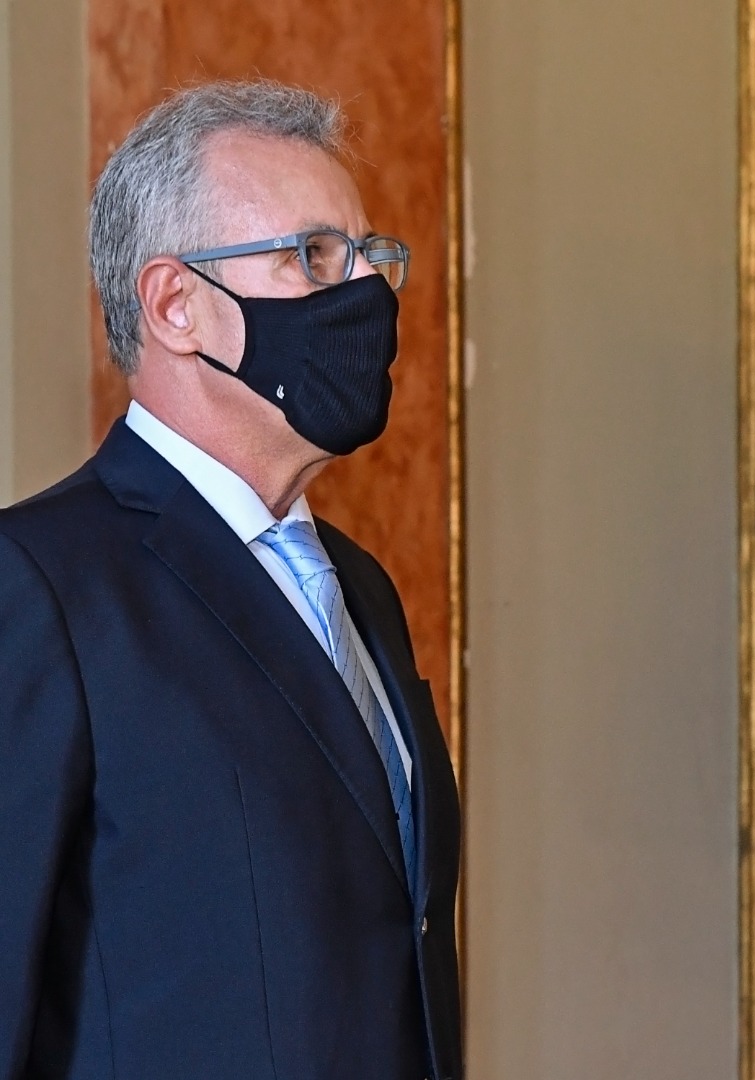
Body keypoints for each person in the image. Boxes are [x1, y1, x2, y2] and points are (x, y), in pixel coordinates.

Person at [0, 81, 460, 1080]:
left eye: (369, 255)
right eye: (313, 256)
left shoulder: (362, 588)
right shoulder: (38, 585)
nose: (365, 293)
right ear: (176, 306)